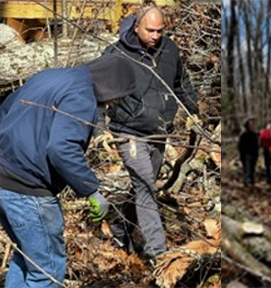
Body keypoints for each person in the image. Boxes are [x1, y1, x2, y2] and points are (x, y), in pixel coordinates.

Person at [0, 54, 136, 288]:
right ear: (112, 86)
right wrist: (91, 190)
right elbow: (62, 148)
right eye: (118, 98)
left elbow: (5, 111)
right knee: (47, 271)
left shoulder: (50, 76)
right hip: (29, 190)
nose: (113, 105)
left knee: (29, 259)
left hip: (4, 178)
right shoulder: (81, 96)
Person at [95, 5, 200, 261]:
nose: (155, 35)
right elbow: (93, 91)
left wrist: (193, 111)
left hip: (159, 131)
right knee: (145, 189)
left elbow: (180, 81)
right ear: (136, 27)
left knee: (144, 188)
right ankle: (159, 255)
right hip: (127, 132)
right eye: (150, 30)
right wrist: (100, 130)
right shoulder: (116, 55)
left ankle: (120, 225)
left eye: (160, 30)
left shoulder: (169, 49)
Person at [238, 118, 259, 187]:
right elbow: (240, 146)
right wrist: (242, 155)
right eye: (251, 125)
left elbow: (256, 145)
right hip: (246, 155)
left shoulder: (254, 134)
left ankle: (252, 182)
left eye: (253, 125)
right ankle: (246, 183)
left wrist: (256, 154)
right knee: (247, 169)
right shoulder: (243, 134)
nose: (252, 126)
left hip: (254, 154)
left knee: (252, 169)